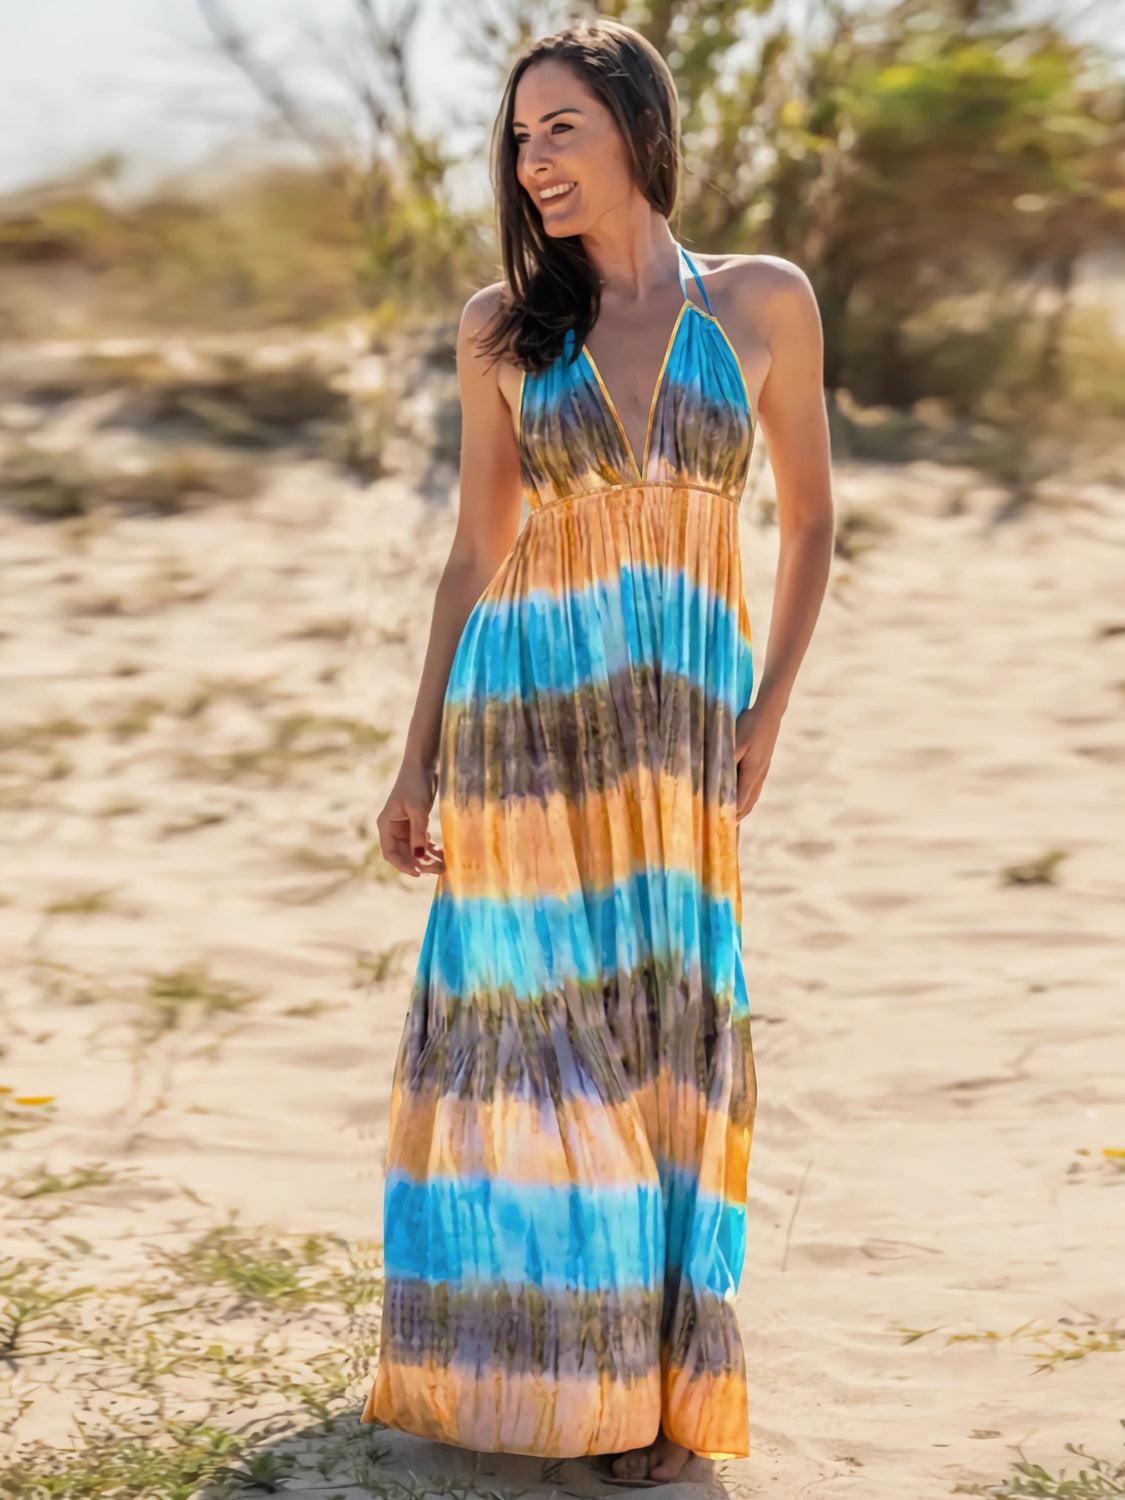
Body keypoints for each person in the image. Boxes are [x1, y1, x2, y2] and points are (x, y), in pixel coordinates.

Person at [362, 15, 834, 1486]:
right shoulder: (502, 327)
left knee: (665, 1044)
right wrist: (414, 757)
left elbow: (813, 522)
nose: (533, 162)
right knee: (550, 1050)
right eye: (518, 138)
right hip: (525, 727)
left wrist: (765, 714)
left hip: (682, 739)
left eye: (559, 128)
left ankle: (657, 1380)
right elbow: (471, 551)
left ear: (636, 124)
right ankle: (575, 1392)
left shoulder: (763, 303)